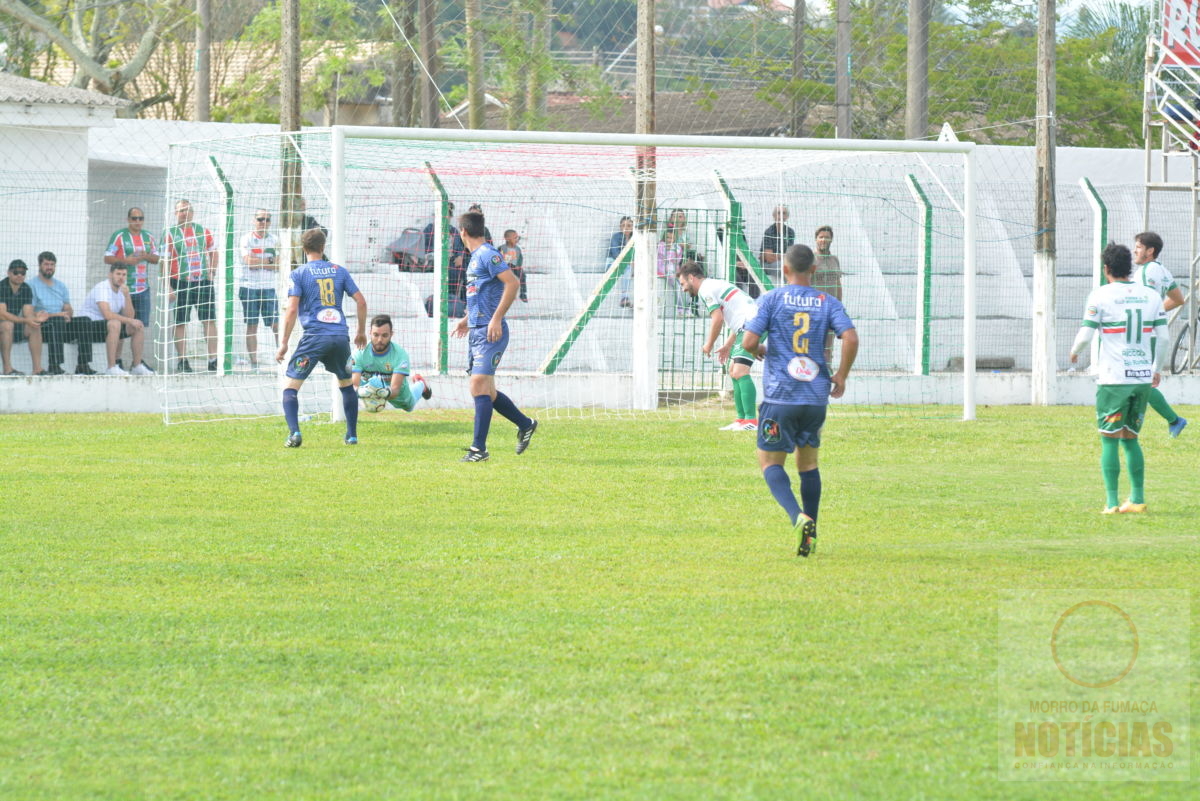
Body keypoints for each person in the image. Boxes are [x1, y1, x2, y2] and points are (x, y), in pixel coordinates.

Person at [741, 244, 858, 557]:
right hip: (815, 396)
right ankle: (812, 532)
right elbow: (851, 337)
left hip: (781, 395)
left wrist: (759, 351)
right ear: (815, 271)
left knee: (769, 461)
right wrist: (842, 376)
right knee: (808, 463)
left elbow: (749, 341)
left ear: (784, 270)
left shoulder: (771, 299)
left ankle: (798, 518)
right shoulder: (827, 302)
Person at [1069, 243, 1167, 514]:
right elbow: (1164, 338)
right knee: (1131, 438)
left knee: (1109, 439)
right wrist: (1155, 368)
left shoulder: (1100, 295)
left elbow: (1086, 335)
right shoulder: (1150, 295)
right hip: (1142, 377)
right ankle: (1137, 500)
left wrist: (1074, 352)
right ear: (1130, 267)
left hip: (1114, 379)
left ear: (1106, 269)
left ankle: (1112, 502)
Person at [451, 209, 538, 462]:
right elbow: (482, 295)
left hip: (491, 331)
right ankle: (525, 423)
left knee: (477, 384)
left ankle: (479, 449)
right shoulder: (476, 257)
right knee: (486, 391)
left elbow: (512, 283)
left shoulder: (488, 254)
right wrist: (467, 320)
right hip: (478, 329)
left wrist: (497, 318)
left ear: (463, 232)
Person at [275, 228, 368, 448]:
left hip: (314, 336)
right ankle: (352, 435)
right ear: (323, 247)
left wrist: (284, 343)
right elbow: (361, 302)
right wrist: (361, 331)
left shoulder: (299, 274)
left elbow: (291, 309)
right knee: (346, 384)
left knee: (290, 387)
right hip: (339, 337)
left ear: (303, 248)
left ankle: (295, 433)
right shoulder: (339, 271)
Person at [676, 261, 762, 431]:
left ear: (691, 278)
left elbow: (718, 319)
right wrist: (727, 345)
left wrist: (708, 344)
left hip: (753, 325)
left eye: (683, 284)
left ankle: (751, 421)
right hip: (747, 325)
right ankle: (741, 420)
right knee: (732, 370)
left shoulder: (705, 290)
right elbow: (736, 315)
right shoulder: (713, 285)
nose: (683, 289)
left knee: (740, 371)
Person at [1131, 231, 1187, 437]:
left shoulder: (1147, 271)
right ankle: (1171, 420)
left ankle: (1173, 420)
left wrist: (1147, 319)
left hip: (1145, 335)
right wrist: (1158, 313)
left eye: (1138, 247)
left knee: (1140, 381)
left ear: (1149, 250)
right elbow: (1178, 299)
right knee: (1139, 381)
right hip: (1151, 333)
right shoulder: (1162, 269)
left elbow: (1145, 300)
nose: (1134, 251)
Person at [162, 199, 218, 373]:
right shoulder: (169, 233)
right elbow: (163, 261)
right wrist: (167, 286)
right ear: (175, 214)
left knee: (209, 320)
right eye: (180, 211)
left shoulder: (203, 231)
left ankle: (213, 359)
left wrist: (212, 272)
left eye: (187, 210)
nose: (184, 213)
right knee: (180, 321)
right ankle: (182, 360)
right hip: (180, 282)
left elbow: (213, 251)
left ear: (192, 212)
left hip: (202, 281)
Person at [75, 264, 151, 376]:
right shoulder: (102, 288)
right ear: (110, 275)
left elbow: (129, 316)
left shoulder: (122, 290)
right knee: (115, 323)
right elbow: (107, 314)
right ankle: (111, 367)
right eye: (118, 274)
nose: (121, 277)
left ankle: (137, 365)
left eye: (124, 275)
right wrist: (130, 321)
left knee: (138, 325)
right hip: (88, 327)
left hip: (106, 327)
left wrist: (127, 296)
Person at [104, 207, 160, 354]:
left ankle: (137, 364)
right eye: (134, 218)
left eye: (140, 218)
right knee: (120, 326)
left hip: (142, 289)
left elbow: (157, 259)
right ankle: (117, 361)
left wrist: (145, 256)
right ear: (128, 219)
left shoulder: (149, 237)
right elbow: (107, 257)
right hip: (122, 289)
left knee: (139, 326)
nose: (137, 221)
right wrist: (125, 260)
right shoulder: (119, 236)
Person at [351, 313, 432, 413]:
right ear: (370, 333)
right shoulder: (359, 352)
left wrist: (384, 392)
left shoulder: (400, 355)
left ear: (391, 334)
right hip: (367, 385)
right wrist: (361, 391)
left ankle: (420, 384)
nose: (380, 340)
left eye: (384, 335)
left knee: (408, 407)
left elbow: (395, 389)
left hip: (392, 389)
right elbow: (353, 385)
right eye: (376, 335)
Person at [238, 208, 281, 370]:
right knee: (252, 325)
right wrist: (268, 261)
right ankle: (254, 363)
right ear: (253, 220)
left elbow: (279, 263)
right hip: (249, 287)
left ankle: (282, 358)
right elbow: (248, 262)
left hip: (269, 288)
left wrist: (260, 261)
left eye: (267, 219)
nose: (264, 223)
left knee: (276, 325)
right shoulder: (246, 239)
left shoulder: (275, 239)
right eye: (260, 219)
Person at [28, 251, 78, 375]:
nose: (49, 267)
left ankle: (83, 364)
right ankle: (54, 365)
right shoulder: (31, 285)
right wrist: (58, 315)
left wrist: (68, 314)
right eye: (46, 264)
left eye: (52, 264)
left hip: (61, 322)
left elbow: (68, 307)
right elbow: (32, 314)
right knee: (57, 321)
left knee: (84, 321)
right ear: (39, 266)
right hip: (43, 325)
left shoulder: (61, 286)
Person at [0, 259, 42, 375]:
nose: (19, 275)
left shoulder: (26, 288)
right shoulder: (1, 287)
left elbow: (27, 314)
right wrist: (25, 320)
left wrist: (36, 318)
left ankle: (37, 369)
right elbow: (2, 314)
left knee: (34, 326)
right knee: (7, 324)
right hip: (3, 325)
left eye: (22, 273)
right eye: (16, 272)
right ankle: (8, 369)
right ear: (8, 273)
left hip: (13, 325)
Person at [760, 205, 795, 287]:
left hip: (783, 263)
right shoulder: (769, 232)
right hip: (767, 265)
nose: (781, 216)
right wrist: (783, 256)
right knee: (784, 266)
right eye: (779, 213)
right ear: (774, 216)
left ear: (787, 217)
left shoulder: (790, 232)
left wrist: (778, 256)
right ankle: (790, 290)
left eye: (784, 213)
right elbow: (769, 258)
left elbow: (789, 256)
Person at [657, 228, 685, 313]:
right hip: (661, 268)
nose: (669, 240)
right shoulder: (661, 245)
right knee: (677, 285)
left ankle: (686, 307)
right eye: (668, 238)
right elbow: (665, 258)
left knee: (683, 283)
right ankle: (680, 308)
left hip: (673, 269)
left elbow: (678, 261)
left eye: (671, 238)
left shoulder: (677, 247)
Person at [610, 216, 635, 308]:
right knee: (627, 267)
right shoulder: (616, 237)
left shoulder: (635, 238)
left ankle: (636, 302)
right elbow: (615, 254)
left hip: (629, 265)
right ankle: (624, 298)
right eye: (623, 226)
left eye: (629, 226)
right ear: (620, 227)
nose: (626, 228)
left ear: (633, 227)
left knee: (629, 269)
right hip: (612, 262)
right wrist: (630, 263)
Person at [813, 225, 843, 301]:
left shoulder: (835, 259)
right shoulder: (810, 259)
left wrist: (839, 305)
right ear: (816, 239)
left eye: (827, 237)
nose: (823, 240)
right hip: (815, 306)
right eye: (821, 237)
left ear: (831, 239)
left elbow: (838, 284)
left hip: (832, 307)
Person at [500, 229, 528, 302]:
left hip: (515, 268)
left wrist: (518, 265)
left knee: (522, 275)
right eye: (515, 238)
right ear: (507, 239)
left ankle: (523, 293)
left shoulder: (517, 249)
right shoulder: (502, 248)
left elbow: (520, 259)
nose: (517, 239)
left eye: (517, 237)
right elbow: (498, 259)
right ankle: (501, 294)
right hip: (505, 268)